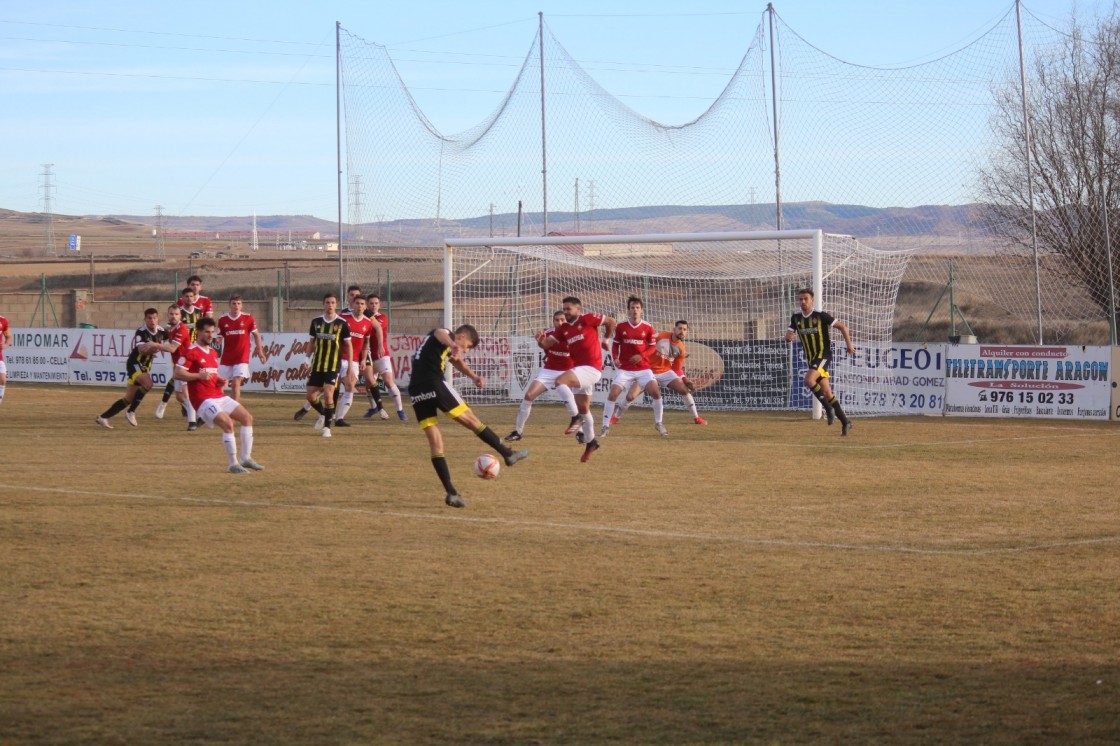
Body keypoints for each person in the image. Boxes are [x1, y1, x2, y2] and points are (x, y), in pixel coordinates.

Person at [408, 324, 528, 508]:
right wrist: (452, 343)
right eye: (466, 347)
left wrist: (473, 376)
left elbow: (455, 360)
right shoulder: (445, 334)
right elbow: (441, 333)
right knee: (472, 420)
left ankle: (451, 492)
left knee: (436, 442)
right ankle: (507, 453)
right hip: (433, 382)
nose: (463, 351)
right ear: (461, 336)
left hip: (416, 390)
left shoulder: (435, 345)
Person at [174, 317, 263, 474]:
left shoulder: (213, 352)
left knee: (247, 418)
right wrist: (197, 376)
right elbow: (178, 373)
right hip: (203, 400)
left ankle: (246, 458)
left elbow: (211, 375)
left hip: (218, 395)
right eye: (207, 332)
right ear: (199, 332)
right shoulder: (190, 351)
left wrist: (219, 381)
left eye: (212, 332)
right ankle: (233, 464)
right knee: (228, 424)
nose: (210, 335)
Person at [539, 296, 616, 462]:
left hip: (592, 368)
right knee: (584, 408)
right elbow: (547, 345)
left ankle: (575, 418)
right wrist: (540, 341)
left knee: (559, 381)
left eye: (568, 309)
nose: (566, 312)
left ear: (578, 309)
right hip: (580, 369)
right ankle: (591, 442)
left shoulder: (587, 319)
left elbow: (611, 321)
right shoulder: (564, 329)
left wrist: (606, 339)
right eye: (564, 309)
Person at [611, 320, 708, 428]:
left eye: (684, 330)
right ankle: (615, 417)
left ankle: (696, 417)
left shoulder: (681, 349)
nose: (682, 331)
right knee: (630, 396)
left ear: (686, 333)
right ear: (674, 329)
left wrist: (685, 380)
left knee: (684, 390)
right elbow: (646, 344)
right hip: (647, 371)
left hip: (665, 372)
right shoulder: (661, 336)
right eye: (680, 328)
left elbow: (677, 369)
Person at [785, 287, 855, 435]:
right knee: (827, 392)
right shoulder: (796, 318)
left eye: (806, 299)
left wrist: (849, 345)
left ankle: (828, 409)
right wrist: (788, 337)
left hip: (824, 355)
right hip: (812, 359)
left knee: (809, 380)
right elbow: (789, 333)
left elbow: (842, 327)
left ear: (812, 301)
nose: (803, 302)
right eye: (800, 299)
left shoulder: (821, 316)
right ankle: (845, 421)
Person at [504, 310, 581, 441]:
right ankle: (518, 431)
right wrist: (540, 341)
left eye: (562, 319)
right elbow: (544, 346)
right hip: (549, 371)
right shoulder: (549, 334)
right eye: (557, 320)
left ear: (566, 320)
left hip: (568, 371)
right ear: (553, 321)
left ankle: (581, 433)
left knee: (576, 400)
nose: (559, 322)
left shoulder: (573, 334)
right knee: (528, 396)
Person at [95, 308, 174, 428]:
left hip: (146, 367)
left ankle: (103, 417)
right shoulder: (141, 332)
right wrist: (155, 347)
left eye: (154, 318)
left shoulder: (162, 332)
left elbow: (172, 345)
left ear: (158, 318)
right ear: (145, 319)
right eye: (149, 318)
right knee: (148, 384)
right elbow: (141, 349)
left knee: (128, 399)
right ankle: (131, 412)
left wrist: (158, 345)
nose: (152, 321)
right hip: (135, 363)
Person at [599, 295, 665, 438]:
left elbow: (653, 347)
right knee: (613, 393)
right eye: (632, 308)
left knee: (656, 393)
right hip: (625, 369)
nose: (635, 310)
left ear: (642, 310)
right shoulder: (621, 326)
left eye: (637, 308)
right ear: (628, 310)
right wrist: (615, 358)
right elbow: (615, 345)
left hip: (643, 368)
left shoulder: (648, 327)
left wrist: (641, 356)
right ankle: (605, 425)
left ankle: (659, 423)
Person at [293, 294, 351, 438]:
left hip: (333, 366)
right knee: (310, 395)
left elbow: (348, 345)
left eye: (332, 302)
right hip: (317, 365)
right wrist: (306, 358)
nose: (330, 305)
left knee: (328, 394)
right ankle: (325, 414)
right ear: (323, 304)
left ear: (336, 304)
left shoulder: (342, 323)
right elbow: (312, 343)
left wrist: (349, 365)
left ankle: (327, 428)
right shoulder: (316, 322)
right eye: (327, 302)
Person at [158, 287, 203, 428]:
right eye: (171, 314)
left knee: (185, 394)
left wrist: (155, 345)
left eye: (176, 314)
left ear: (180, 316)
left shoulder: (182, 329)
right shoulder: (171, 329)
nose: (173, 316)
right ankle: (199, 413)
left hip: (186, 364)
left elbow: (172, 348)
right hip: (178, 364)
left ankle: (192, 422)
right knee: (179, 396)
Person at [365, 293, 407, 421]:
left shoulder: (382, 317)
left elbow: (376, 326)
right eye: (371, 303)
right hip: (368, 356)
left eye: (376, 303)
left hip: (382, 355)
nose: (373, 305)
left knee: (388, 381)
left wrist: (367, 316)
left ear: (379, 305)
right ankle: (373, 407)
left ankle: (400, 410)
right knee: (368, 385)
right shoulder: (362, 318)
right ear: (367, 304)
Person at [333, 294, 374, 426]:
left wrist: (363, 360)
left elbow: (366, 343)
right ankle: (318, 410)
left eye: (362, 304)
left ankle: (339, 418)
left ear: (365, 306)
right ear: (353, 305)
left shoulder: (367, 323)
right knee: (329, 387)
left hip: (354, 360)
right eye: (357, 303)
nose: (360, 306)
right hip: (338, 358)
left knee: (350, 386)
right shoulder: (343, 319)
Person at [216, 295, 266, 401]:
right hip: (227, 356)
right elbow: (220, 335)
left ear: (242, 305)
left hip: (242, 357)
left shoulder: (248, 318)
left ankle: (234, 409)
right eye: (234, 303)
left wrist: (260, 351)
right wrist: (218, 340)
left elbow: (256, 335)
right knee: (219, 384)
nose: (236, 306)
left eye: (238, 303)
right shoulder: (222, 319)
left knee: (235, 383)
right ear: (229, 305)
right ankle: (220, 406)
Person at [0, 309, 10, 409]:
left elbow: (8, 337)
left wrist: (5, 345)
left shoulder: (3, 321)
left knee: (3, 380)